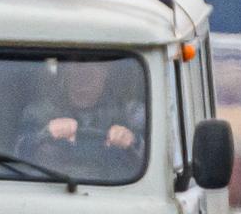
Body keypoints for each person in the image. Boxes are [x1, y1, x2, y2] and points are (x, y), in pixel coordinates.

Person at [19, 59, 147, 173]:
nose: (84, 82)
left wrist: (132, 141)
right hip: (53, 187)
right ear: (65, 72)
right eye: (77, 69)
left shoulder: (131, 113)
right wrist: (44, 134)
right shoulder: (38, 111)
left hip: (115, 191)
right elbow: (17, 154)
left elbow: (156, 159)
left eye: (94, 71)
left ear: (106, 74)